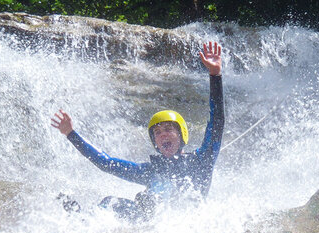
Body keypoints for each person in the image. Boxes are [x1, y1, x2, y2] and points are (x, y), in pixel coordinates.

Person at [51, 41, 224, 221]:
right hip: (149, 221)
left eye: (168, 129)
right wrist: (71, 134)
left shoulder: (202, 159)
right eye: (157, 133)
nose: (162, 134)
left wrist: (215, 75)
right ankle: (83, 220)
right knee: (112, 202)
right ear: (155, 143)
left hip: (182, 226)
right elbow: (105, 162)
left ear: (181, 135)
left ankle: (149, 206)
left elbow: (217, 122)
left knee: (151, 196)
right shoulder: (149, 171)